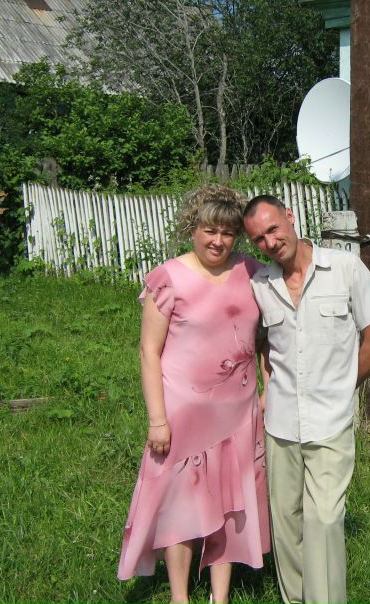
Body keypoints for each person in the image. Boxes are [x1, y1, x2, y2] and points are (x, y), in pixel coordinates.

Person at [118, 185, 270, 604]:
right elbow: (149, 351)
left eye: (227, 233)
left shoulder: (253, 273)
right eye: (209, 231)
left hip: (237, 414)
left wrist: (268, 389)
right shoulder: (169, 278)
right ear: (192, 229)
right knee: (180, 505)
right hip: (183, 414)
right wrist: (157, 420)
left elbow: (268, 339)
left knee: (230, 504)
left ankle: (220, 596)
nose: (218, 241)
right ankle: (179, 596)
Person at [242, 195, 370, 604]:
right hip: (281, 424)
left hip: (330, 422)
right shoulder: (260, 285)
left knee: (324, 520)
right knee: (286, 522)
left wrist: (344, 387)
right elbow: (261, 344)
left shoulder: (344, 268)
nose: (270, 242)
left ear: (290, 217)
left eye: (273, 229)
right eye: (259, 239)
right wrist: (266, 387)